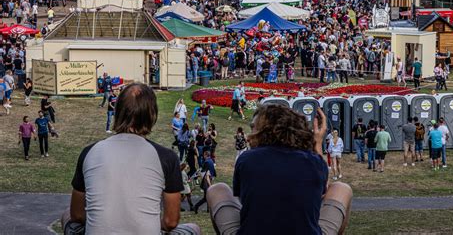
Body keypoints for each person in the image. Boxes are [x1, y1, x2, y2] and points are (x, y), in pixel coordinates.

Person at [62, 83, 200, 234]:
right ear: (152, 115)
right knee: (193, 228)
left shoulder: (89, 152)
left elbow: (76, 214)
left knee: (66, 215)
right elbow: (171, 222)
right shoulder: (167, 157)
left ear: (118, 111)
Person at [206, 105, 353, 235]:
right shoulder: (314, 161)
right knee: (342, 188)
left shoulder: (247, 159)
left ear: (267, 130)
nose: (249, 137)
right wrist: (318, 143)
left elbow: (243, 200)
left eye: (253, 129)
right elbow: (323, 191)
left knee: (216, 189)